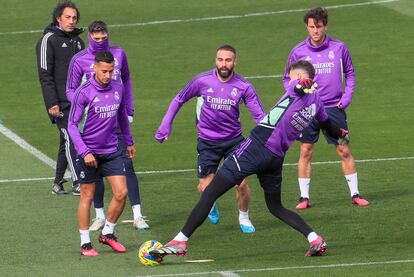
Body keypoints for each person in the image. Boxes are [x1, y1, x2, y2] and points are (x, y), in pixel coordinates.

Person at [150, 60, 348, 259]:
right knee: (275, 207)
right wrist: (341, 133)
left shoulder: (293, 90)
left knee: (210, 192)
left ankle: (180, 241)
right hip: (276, 157)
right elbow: (329, 126)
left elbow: (297, 87)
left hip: (256, 147)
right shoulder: (317, 103)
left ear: (299, 77)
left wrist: (299, 84)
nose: (287, 79)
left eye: (290, 76)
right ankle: (314, 239)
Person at [155, 45, 265, 233]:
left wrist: (266, 138)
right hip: (207, 142)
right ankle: (211, 203)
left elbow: (259, 115)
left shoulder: (243, 86)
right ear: (216, 60)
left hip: (234, 141)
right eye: (220, 60)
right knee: (206, 188)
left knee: (242, 184)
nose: (224, 64)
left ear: (235, 62)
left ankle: (244, 217)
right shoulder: (201, 81)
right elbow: (179, 99)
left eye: (228, 60)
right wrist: (166, 124)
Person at [283, 7, 369, 209]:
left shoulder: (339, 48)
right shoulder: (298, 52)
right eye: (312, 27)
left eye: (319, 27)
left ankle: (355, 194)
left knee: (343, 150)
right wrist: (297, 95)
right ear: (307, 27)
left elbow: (351, 74)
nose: (315, 31)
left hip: (333, 108)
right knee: (305, 150)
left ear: (325, 26)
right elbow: (287, 79)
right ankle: (304, 198)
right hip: (307, 109)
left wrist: (345, 99)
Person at [67, 20, 149, 231]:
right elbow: (71, 90)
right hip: (92, 122)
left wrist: (128, 109)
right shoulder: (79, 60)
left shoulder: (119, 54)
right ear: (89, 38)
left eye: (104, 38)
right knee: (96, 171)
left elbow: (126, 80)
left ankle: (138, 214)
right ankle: (100, 216)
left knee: (126, 165)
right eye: (97, 39)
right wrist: (86, 103)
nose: (102, 42)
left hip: (115, 117)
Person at [68, 51, 134, 256]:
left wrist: (129, 141)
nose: (107, 75)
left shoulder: (118, 87)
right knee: (87, 196)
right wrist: (85, 151)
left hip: (112, 150)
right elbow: (71, 125)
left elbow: (122, 116)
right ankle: (85, 243)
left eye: (110, 71)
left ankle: (108, 233)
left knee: (121, 192)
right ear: (94, 68)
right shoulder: (84, 92)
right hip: (88, 153)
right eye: (103, 71)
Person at [36, 1, 84, 195]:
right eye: (67, 17)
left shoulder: (79, 42)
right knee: (71, 138)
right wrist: (52, 103)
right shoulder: (48, 40)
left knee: (66, 140)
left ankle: (57, 183)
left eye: (74, 18)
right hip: (60, 103)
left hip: (78, 102)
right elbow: (44, 75)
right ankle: (77, 182)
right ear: (58, 18)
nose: (71, 21)